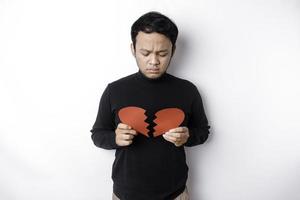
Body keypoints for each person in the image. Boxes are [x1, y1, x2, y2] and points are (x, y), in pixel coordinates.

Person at [90, 11, 210, 200]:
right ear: (133, 49)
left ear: (174, 50)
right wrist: (115, 138)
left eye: (162, 53)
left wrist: (188, 136)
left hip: (175, 193)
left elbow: (203, 131)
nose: (153, 61)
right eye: (145, 53)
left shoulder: (188, 90)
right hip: (126, 194)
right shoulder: (114, 90)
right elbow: (97, 134)